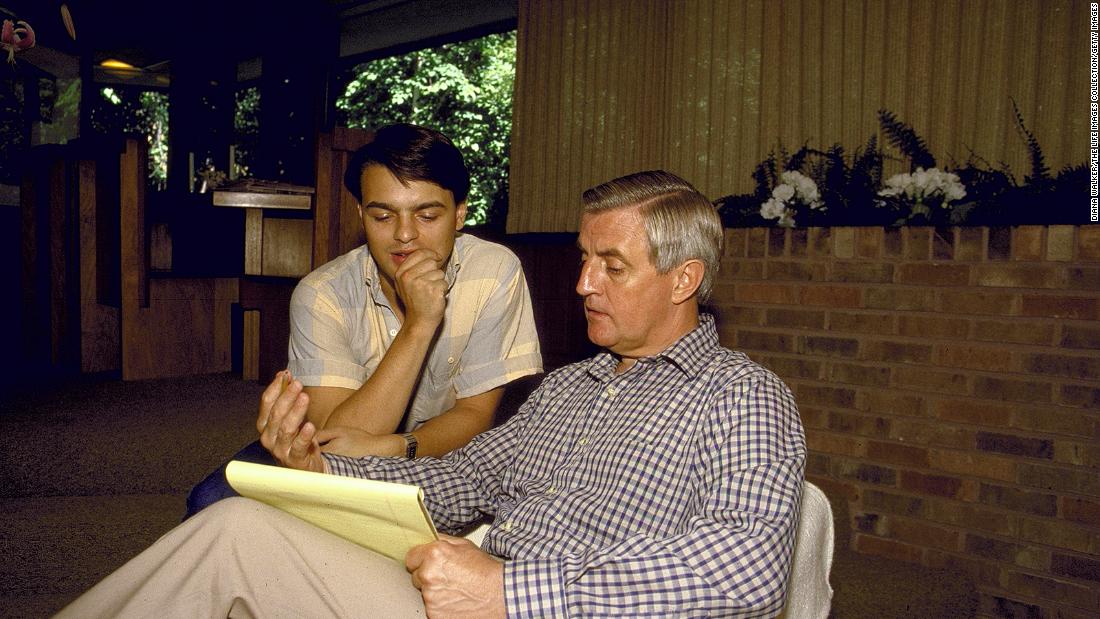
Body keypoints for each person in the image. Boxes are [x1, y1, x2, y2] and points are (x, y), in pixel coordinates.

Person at [58, 170, 806, 618]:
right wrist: (325, 472)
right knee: (235, 525)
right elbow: (461, 479)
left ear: (684, 280)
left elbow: (746, 564)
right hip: (458, 590)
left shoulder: (742, 395)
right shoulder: (570, 388)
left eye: (611, 265)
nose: (582, 284)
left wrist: (513, 592)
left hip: (536, 604)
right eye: (583, 259)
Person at [185, 123, 543, 517]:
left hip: (447, 455)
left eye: (426, 215)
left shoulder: (493, 272)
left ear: (459, 214)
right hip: (331, 456)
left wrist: (398, 447)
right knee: (210, 503)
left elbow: (475, 416)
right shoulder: (322, 293)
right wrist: (419, 326)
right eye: (383, 216)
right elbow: (336, 446)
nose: (405, 235)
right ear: (361, 215)